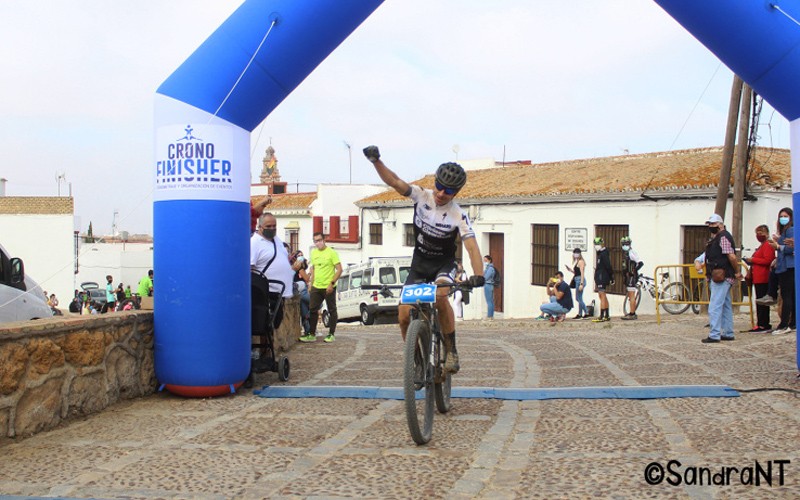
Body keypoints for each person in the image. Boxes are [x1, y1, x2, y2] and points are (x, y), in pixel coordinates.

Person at [363, 145, 485, 374]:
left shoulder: (459, 215)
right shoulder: (421, 195)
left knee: (440, 296)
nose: (441, 193)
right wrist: (375, 161)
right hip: (419, 264)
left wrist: (479, 275)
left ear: (455, 193)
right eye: (439, 186)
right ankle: (416, 361)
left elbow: (471, 246)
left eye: (448, 191)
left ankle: (451, 350)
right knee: (402, 315)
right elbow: (395, 181)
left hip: (443, 264)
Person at [250, 212, 295, 338]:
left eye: (274, 226)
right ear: (260, 227)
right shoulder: (254, 242)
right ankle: (262, 353)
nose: (272, 229)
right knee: (263, 323)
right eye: (268, 226)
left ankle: (267, 354)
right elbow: (250, 268)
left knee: (273, 323)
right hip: (266, 292)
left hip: (279, 293)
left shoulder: (277, 240)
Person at [698, 214, 741, 343]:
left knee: (715, 306)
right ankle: (728, 332)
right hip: (720, 275)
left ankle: (714, 334)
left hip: (722, 276)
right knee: (726, 305)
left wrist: (737, 271)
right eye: (710, 224)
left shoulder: (723, 237)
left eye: (714, 224)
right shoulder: (717, 238)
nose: (711, 226)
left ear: (721, 224)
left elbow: (732, 256)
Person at [303, 232, 343, 343]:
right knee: (312, 309)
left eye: (320, 240)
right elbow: (314, 269)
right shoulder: (314, 253)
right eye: (316, 241)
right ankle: (311, 334)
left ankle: (331, 334)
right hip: (317, 286)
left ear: (324, 240)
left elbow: (339, 269)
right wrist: (311, 283)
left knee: (331, 310)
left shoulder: (332, 253)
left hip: (328, 286)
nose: (318, 243)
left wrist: (332, 283)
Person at [743, 224, 776, 332]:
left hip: (764, 277)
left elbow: (768, 260)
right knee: (759, 301)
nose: (758, 235)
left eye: (761, 233)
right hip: (758, 277)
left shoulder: (768, 245)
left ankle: (763, 324)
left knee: (762, 302)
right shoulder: (762, 246)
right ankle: (761, 323)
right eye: (757, 233)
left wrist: (753, 260)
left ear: (766, 233)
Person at [768, 208, 795, 335]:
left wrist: (778, 246)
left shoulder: (791, 230)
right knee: (791, 296)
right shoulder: (785, 231)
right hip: (785, 265)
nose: (783, 218)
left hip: (787, 267)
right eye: (781, 216)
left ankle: (784, 324)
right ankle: (792, 323)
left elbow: (791, 248)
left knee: (787, 296)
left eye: (785, 216)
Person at [620, 236, 644, 320]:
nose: (624, 246)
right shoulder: (626, 253)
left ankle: (632, 313)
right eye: (623, 244)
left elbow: (640, 263)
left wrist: (633, 271)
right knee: (630, 296)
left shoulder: (632, 252)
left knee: (632, 295)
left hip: (632, 277)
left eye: (626, 244)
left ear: (630, 244)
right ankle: (631, 312)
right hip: (627, 276)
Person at [592, 237, 614, 322]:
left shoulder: (604, 254)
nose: (596, 246)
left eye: (598, 244)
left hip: (602, 276)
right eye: (595, 244)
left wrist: (611, 276)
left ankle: (602, 315)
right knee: (602, 295)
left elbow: (608, 266)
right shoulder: (600, 253)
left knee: (602, 295)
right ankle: (607, 315)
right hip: (599, 276)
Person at [291, 250, 311, 336]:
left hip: (299, 291)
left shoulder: (297, 268)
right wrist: (311, 273)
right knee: (317, 304)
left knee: (304, 310)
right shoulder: (299, 268)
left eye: (302, 255)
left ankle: (307, 330)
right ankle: (309, 329)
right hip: (301, 290)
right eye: (299, 255)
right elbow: (307, 279)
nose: (301, 257)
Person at [564, 248, 588, 319]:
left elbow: (582, 273)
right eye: (574, 253)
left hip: (580, 280)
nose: (575, 254)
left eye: (577, 253)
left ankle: (586, 312)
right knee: (579, 298)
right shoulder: (577, 262)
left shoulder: (581, 262)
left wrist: (581, 283)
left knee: (578, 298)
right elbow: (577, 273)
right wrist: (570, 270)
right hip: (577, 279)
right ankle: (580, 313)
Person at [483, 255, 497, 320]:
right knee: (490, 301)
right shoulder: (488, 268)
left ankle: (489, 316)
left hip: (488, 284)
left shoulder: (490, 268)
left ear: (489, 260)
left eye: (485, 260)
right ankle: (490, 315)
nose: (484, 262)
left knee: (489, 301)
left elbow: (486, 277)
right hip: (489, 285)